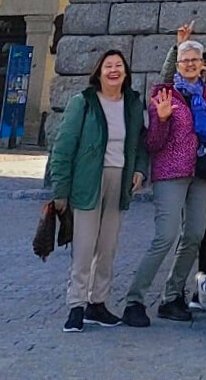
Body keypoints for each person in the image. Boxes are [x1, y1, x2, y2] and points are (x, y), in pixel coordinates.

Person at [124, 37, 206, 327]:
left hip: (203, 173)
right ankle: (135, 299)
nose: (191, 64)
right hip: (171, 172)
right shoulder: (163, 93)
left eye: (196, 59)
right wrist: (163, 118)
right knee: (165, 237)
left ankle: (172, 296)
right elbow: (153, 143)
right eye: (185, 60)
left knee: (194, 236)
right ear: (177, 64)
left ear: (202, 64)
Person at [47, 49, 148, 333]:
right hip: (87, 180)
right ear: (99, 72)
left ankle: (98, 302)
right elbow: (64, 146)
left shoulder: (132, 104)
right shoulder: (84, 102)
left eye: (119, 66)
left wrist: (140, 169)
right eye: (108, 66)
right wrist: (60, 190)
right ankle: (76, 304)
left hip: (120, 179)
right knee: (84, 246)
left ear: (126, 73)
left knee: (108, 246)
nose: (114, 70)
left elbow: (140, 142)